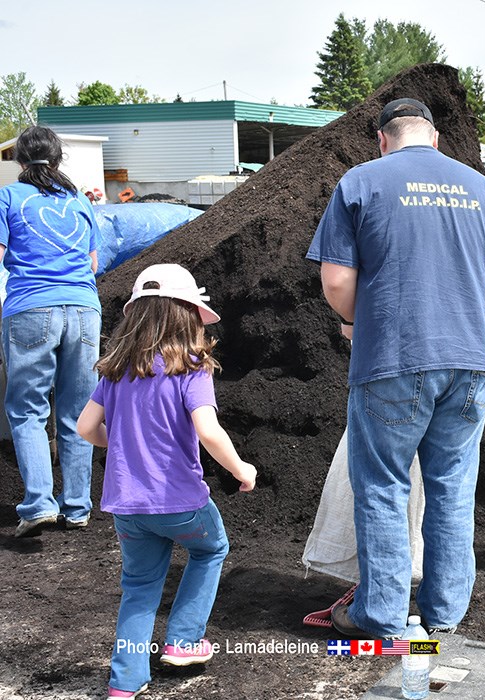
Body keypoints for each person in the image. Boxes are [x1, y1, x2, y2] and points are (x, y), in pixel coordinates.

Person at [307, 98, 485, 639]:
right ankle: (444, 613)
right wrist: (469, 319)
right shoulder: (483, 189)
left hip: (392, 359)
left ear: (383, 140)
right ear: (435, 138)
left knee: (383, 486)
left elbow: (336, 280)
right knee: (452, 487)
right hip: (470, 363)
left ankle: (380, 615)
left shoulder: (361, 182)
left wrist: (359, 321)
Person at [75, 263, 257, 700]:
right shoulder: (191, 367)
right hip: (180, 502)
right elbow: (209, 431)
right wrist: (241, 469)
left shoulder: (115, 371)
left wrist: (122, 442)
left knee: (139, 587)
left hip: (127, 507)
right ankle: (184, 640)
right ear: (188, 315)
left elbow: (85, 428)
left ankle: (125, 682)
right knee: (211, 549)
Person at [0, 126, 102, 538]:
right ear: (59, 158)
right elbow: (93, 263)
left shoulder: (8, 197)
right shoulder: (79, 200)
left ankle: (40, 503)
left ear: (19, 160)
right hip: (84, 310)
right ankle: (77, 507)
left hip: (30, 309)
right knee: (78, 412)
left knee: (27, 410)